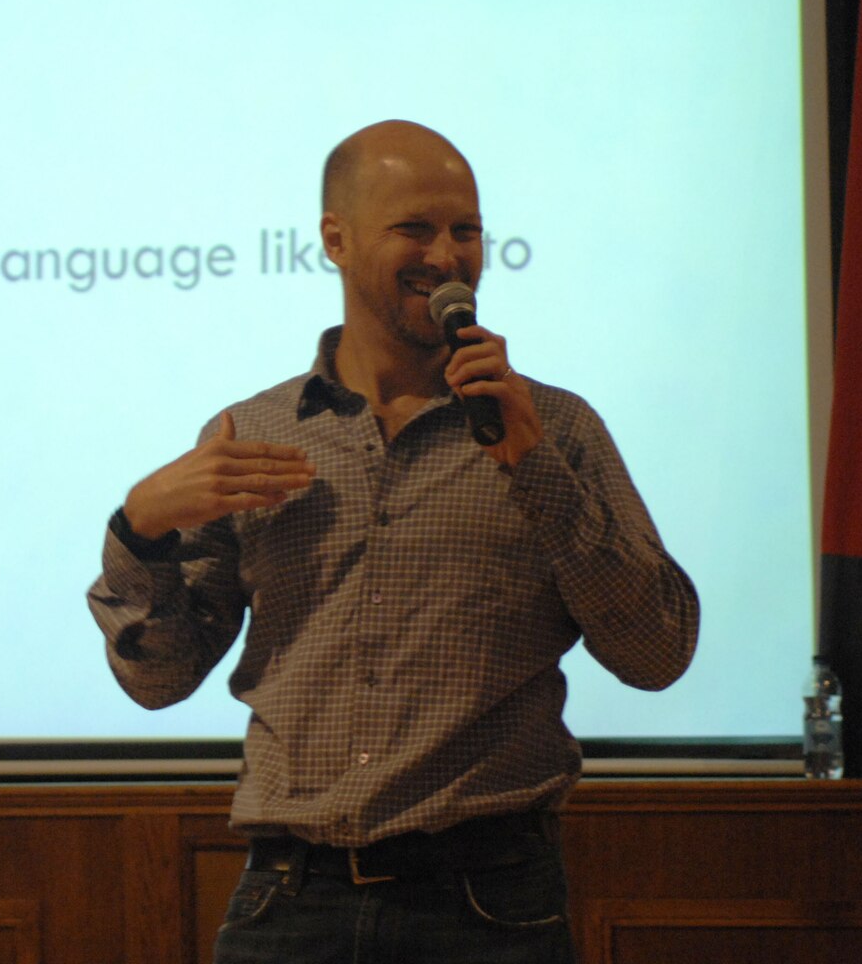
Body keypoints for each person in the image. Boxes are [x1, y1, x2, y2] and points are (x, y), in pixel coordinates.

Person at [88, 120, 698, 964]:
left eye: (467, 231)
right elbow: (160, 681)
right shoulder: (253, 435)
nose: (448, 256)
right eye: (415, 229)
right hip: (289, 900)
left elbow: (657, 651)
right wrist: (139, 528)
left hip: (489, 903)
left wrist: (536, 469)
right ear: (335, 238)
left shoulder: (554, 427)